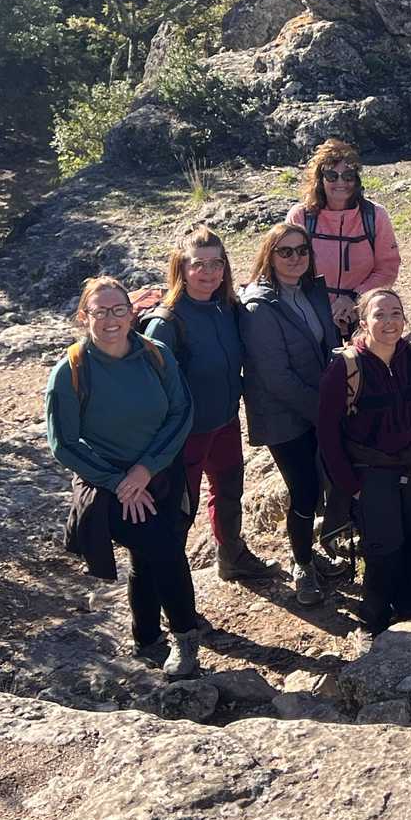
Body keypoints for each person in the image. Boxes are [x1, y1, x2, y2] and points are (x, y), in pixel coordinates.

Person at [47, 277, 201, 678]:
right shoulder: (71, 371)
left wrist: (145, 468)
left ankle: (147, 638)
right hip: (108, 484)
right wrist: (119, 481)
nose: (111, 319)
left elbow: (180, 413)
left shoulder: (157, 355)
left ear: (132, 313)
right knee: (164, 550)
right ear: (84, 317)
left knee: (147, 557)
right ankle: (186, 639)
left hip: (160, 475)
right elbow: (64, 443)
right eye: (100, 311)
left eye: (119, 310)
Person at [317, 288, 411, 643]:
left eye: (396, 313)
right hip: (371, 471)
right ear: (363, 322)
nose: (389, 322)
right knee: (383, 547)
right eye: (379, 315)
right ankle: (374, 619)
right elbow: (328, 434)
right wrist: (350, 484)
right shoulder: (345, 368)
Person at [143, 226, 277, 583]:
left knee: (230, 490)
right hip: (183, 435)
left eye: (217, 263)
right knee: (178, 512)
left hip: (225, 422)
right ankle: (173, 589)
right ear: (181, 268)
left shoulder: (227, 308)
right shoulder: (167, 323)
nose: (209, 272)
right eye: (199, 264)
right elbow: (150, 391)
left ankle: (231, 557)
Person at [239, 221, 344, 607]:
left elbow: (327, 343)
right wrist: (326, 411)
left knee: (323, 480)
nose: (295, 258)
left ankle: (314, 548)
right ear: (270, 255)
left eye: (302, 250)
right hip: (282, 415)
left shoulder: (312, 289)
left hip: (318, 403)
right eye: (285, 251)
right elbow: (275, 377)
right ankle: (302, 563)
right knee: (303, 487)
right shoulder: (258, 306)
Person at [287, 138, 400, 336]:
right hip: (310, 317)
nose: (340, 182)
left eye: (348, 176)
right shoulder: (301, 217)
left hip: (361, 317)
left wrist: (354, 298)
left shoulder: (375, 217)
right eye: (332, 176)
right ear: (320, 180)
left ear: (356, 180)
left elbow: (387, 269)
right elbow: (285, 267)